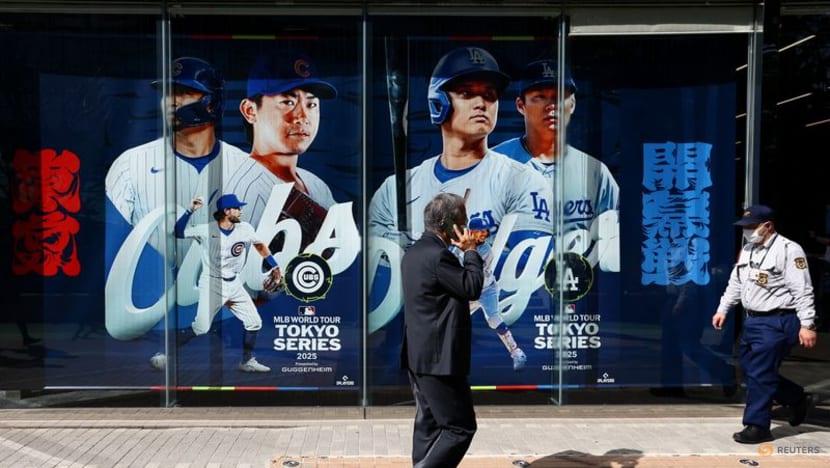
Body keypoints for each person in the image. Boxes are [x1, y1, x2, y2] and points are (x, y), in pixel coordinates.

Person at [369, 46, 554, 335]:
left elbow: (521, 273)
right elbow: (382, 279)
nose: (481, 102)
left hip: (487, 334)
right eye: (467, 93)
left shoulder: (522, 181)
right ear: (438, 103)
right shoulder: (395, 190)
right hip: (415, 333)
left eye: (489, 95)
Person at [105, 57, 249, 341]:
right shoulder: (130, 164)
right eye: (167, 93)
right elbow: (118, 250)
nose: (171, 101)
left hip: (229, 316)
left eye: (183, 92)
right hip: (156, 315)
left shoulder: (247, 168)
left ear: (211, 102)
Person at [492, 59, 620, 272]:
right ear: (520, 106)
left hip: (577, 294)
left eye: (559, 97)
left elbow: (616, 240)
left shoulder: (595, 172)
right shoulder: (494, 164)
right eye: (539, 97)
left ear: (573, 104)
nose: (551, 106)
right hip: (511, 294)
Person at [712, 204, 818, 443]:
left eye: (752, 227)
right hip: (753, 321)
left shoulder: (789, 250)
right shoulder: (748, 249)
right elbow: (736, 283)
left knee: (759, 373)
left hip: (779, 320)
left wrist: (807, 324)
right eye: (745, 227)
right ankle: (796, 397)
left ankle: (757, 426)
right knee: (752, 370)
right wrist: (723, 309)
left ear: (767, 226)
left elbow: (803, 289)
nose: (748, 232)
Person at [150, 194, 282, 373]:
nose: (240, 211)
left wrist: (274, 265)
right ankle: (163, 353)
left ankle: (247, 361)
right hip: (212, 284)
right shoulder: (207, 230)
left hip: (234, 284)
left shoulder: (245, 228)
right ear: (226, 211)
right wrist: (190, 210)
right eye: (237, 208)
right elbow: (178, 232)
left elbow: (259, 245)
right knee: (201, 328)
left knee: (254, 322)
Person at [401, 192, 484, 468]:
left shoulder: (415, 252)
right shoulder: (439, 258)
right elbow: (471, 287)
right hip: (440, 360)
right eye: (463, 219)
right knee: (459, 428)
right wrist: (470, 251)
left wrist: (463, 251)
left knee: (429, 422)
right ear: (449, 225)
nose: (468, 224)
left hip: (420, 354)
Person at [224, 52, 339, 230]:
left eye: (311, 105)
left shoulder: (315, 184)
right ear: (250, 111)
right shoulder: (244, 191)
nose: (302, 117)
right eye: (287, 102)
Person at [455, 217, 527, 370]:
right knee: (451, 320)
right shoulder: (459, 246)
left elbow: (473, 275)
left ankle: (516, 353)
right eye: (480, 230)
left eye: (485, 230)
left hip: (485, 290)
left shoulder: (486, 250)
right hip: (467, 291)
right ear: (471, 231)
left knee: (494, 319)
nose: (484, 233)